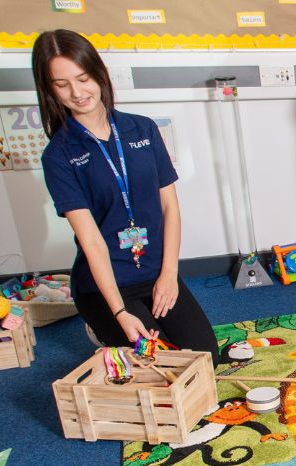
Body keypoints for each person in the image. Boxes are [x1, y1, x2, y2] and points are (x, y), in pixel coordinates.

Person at [34, 29, 218, 358]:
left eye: (83, 78)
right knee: (161, 366)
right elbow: (91, 241)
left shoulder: (143, 129)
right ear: (49, 90)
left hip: (155, 270)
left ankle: (124, 323)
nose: (77, 92)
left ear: (99, 73)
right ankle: (101, 324)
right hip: (106, 286)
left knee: (205, 357)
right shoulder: (58, 155)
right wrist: (119, 312)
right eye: (62, 84)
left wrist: (169, 275)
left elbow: (170, 210)